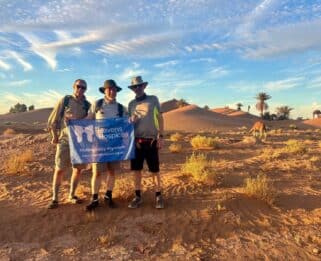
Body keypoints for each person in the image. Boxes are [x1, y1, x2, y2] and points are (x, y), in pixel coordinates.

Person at [47, 79, 91, 209]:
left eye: (83, 88)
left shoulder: (87, 105)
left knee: (77, 170)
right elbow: (53, 120)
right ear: (74, 87)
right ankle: (55, 198)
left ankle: (71, 195)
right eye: (79, 86)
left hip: (80, 142)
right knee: (59, 169)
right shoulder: (65, 100)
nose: (81, 89)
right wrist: (54, 136)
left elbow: (90, 123)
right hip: (65, 140)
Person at [85, 79, 126, 211]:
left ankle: (108, 196)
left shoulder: (121, 108)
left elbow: (126, 124)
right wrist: (73, 122)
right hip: (99, 145)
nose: (112, 91)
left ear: (117, 91)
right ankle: (94, 198)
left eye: (114, 89)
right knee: (96, 172)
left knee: (111, 171)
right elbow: (87, 120)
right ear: (104, 91)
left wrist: (132, 121)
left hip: (115, 145)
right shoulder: (97, 104)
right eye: (109, 89)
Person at [127, 76, 165, 209]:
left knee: (155, 170)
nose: (137, 88)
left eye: (139, 85)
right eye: (134, 87)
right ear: (132, 89)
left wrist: (161, 136)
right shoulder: (131, 104)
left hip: (152, 141)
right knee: (136, 171)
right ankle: (137, 197)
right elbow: (128, 124)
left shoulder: (153, 99)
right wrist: (131, 121)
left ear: (144, 86)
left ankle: (158, 196)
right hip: (137, 142)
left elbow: (160, 117)